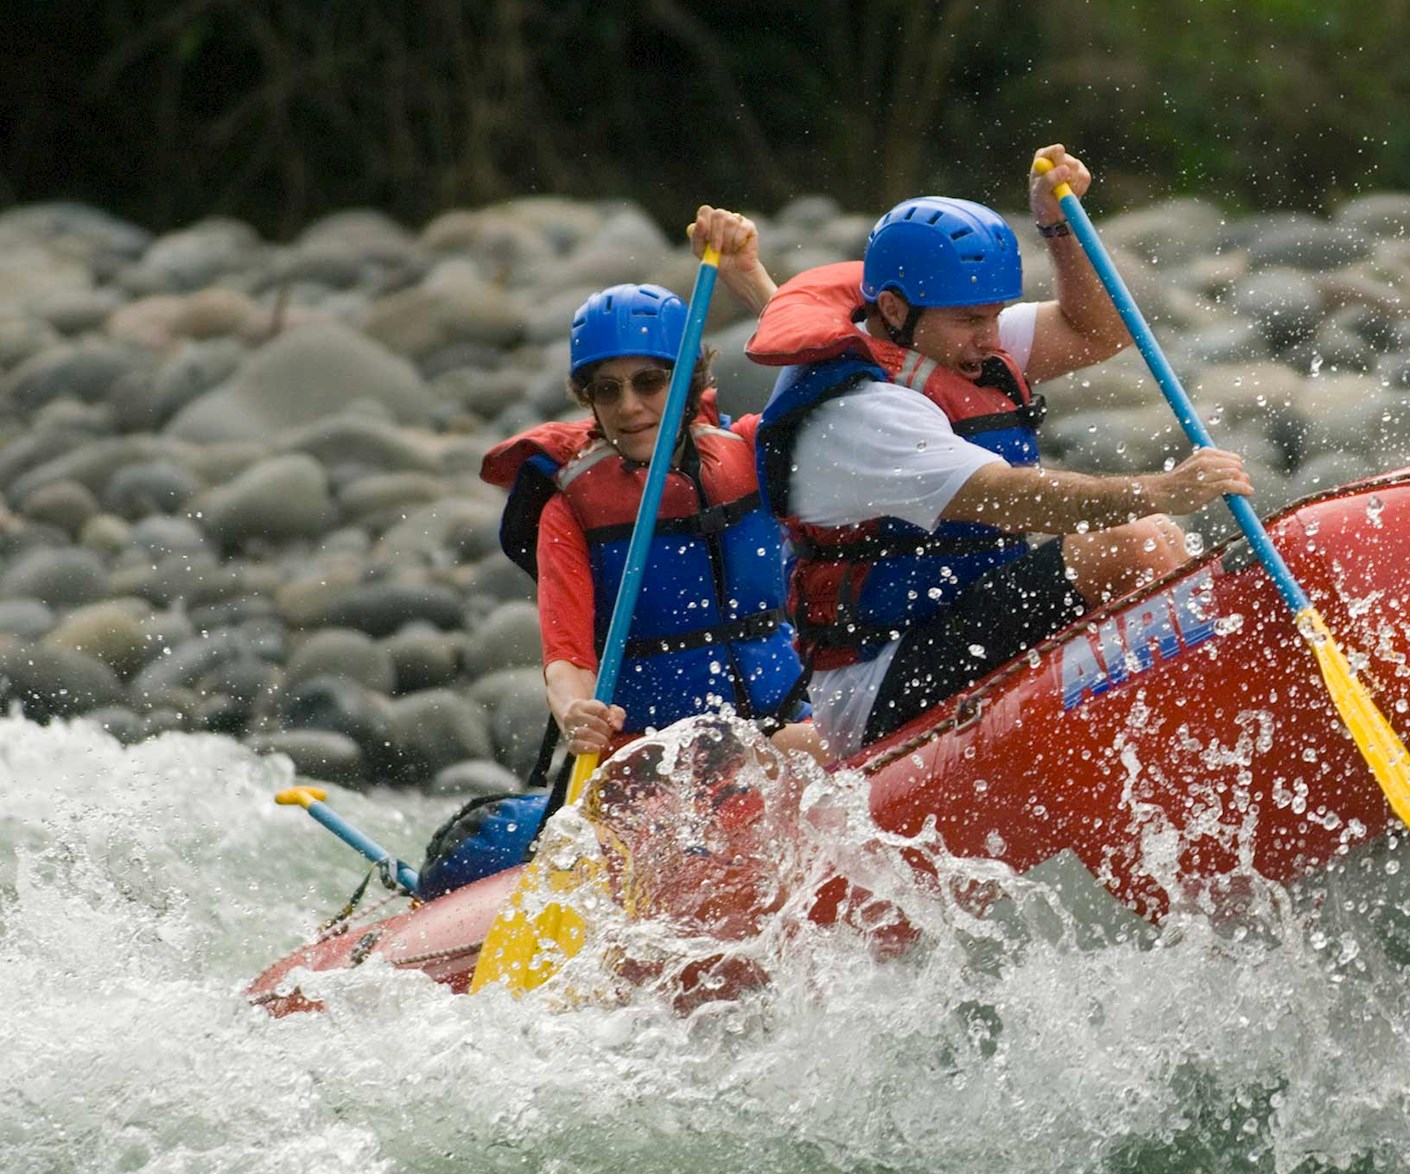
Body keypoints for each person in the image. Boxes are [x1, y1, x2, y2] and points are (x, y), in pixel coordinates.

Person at [746, 144, 1251, 757]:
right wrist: (1159, 490)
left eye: (996, 316)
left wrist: (1058, 228)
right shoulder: (859, 410)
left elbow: (1099, 330)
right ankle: (1203, 727)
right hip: (878, 680)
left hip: (953, 625)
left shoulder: (945, 336)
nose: (990, 338)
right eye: (972, 321)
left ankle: (1197, 705)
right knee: (1134, 542)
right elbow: (1011, 498)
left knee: (1158, 539)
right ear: (894, 309)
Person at [481, 206, 828, 771]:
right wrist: (574, 711)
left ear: (692, 381)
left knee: (804, 745)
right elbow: (566, 658)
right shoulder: (570, 511)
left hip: (784, 723)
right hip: (655, 758)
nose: (629, 407)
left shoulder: (751, 452)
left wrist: (747, 274)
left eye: (649, 382)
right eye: (607, 390)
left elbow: (834, 378)